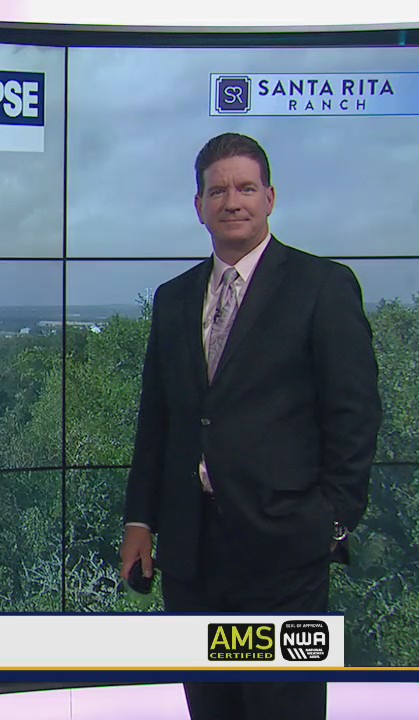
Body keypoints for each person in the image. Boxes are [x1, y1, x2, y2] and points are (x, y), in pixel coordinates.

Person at [118, 132, 381, 720]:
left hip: (284, 549)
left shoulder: (322, 287)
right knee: (212, 707)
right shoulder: (174, 299)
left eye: (245, 187)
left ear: (270, 198)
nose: (231, 201)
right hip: (193, 551)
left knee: (282, 708)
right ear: (198, 206)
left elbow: (355, 414)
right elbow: (157, 421)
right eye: (217, 190)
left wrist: (329, 522)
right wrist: (141, 522)